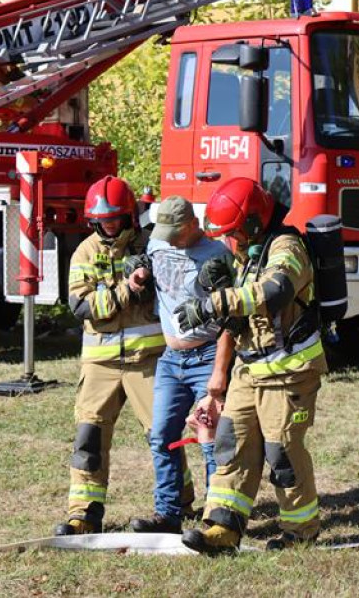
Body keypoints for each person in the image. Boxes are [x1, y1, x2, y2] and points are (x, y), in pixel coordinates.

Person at [176, 178, 327, 554]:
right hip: (249, 370)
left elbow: (275, 291)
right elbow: (244, 318)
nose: (231, 241)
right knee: (232, 444)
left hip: (289, 372)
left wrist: (216, 303)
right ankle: (222, 527)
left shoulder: (286, 247)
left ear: (256, 223)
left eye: (235, 233)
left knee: (282, 454)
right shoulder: (248, 255)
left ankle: (300, 532)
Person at [53, 176, 197, 536]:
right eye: (103, 220)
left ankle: (180, 501)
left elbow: (177, 288)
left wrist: (153, 280)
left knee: (163, 435)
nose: (110, 226)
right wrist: (127, 289)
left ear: (130, 216)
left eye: (116, 219)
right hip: (100, 364)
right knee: (89, 437)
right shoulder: (85, 251)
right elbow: (81, 305)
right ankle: (83, 513)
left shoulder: (152, 245)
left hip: (148, 362)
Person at [129, 195, 232, 534]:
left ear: (193, 224)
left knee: (210, 439)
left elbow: (233, 318)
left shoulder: (217, 255)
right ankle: (169, 514)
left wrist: (220, 369)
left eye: (176, 231)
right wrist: (138, 272)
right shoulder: (158, 242)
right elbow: (145, 262)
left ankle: (215, 517)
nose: (169, 238)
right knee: (161, 436)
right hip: (171, 359)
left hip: (206, 355)